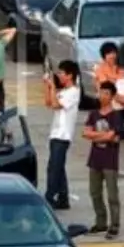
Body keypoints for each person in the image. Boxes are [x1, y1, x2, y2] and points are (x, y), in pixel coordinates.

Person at [84, 81, 123, 239]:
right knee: (94, 192)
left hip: (110, 160)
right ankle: (101, 222)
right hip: (95, 159)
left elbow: (113, 136)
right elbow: (86, 133)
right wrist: (103, 136)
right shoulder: (94, 114)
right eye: (101, 92)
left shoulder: (116, 115)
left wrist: (96, 135)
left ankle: (114, 225)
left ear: (112, 96)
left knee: (112, 195)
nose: (102, 96)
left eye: (106, 93)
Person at [44, 60, 80, 211]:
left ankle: (49, 196)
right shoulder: (63, 91)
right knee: (59, 167)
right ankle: (63, 197)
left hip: (63, 135)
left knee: (54, 168)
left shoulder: (73, 92)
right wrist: (48, 86)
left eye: (62, 73)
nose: (59, 76)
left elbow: (56, 105)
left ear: (70, 75)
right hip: (55, 133)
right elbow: (48, 102)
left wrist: (52, 86)